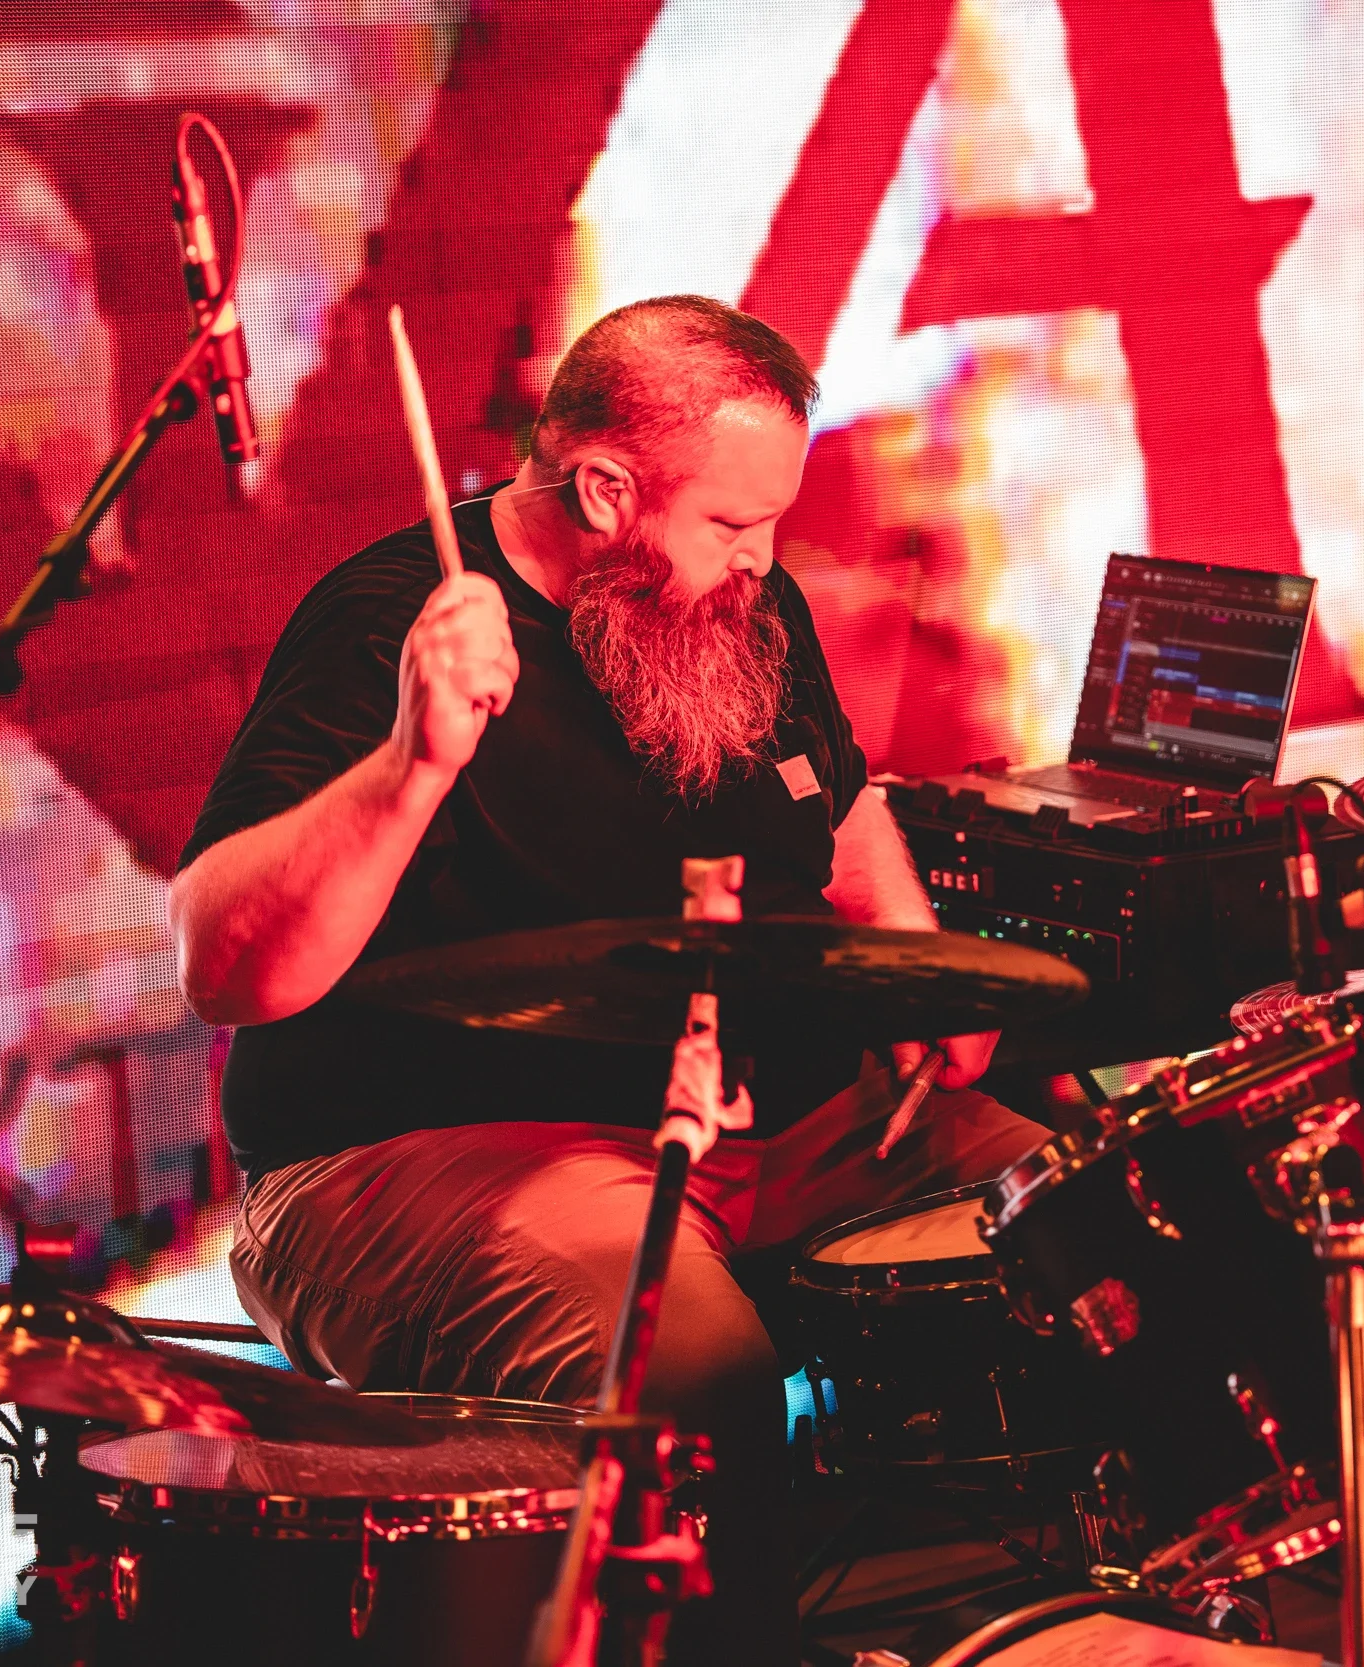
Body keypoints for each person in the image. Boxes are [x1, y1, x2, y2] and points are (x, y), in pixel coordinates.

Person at [170, 295, 1046, 1664]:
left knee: (1111, 1212)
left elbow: (836, 794)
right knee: (696, 1375)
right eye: (733, 528)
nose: (765, 563)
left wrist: (924, 960)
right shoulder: (391, 622)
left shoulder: (743, 606)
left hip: (746, 1118)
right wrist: (411, 761)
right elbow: (224, 965)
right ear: (601, 486)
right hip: (427, 1150)